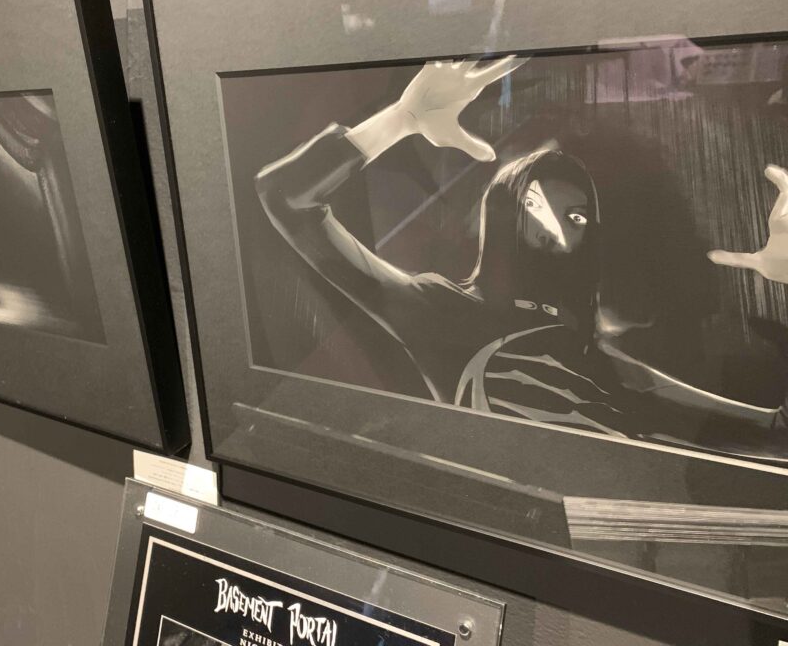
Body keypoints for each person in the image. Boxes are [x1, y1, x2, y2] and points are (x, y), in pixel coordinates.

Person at [256, 57, 788, 461]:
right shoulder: (445, 312)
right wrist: (400, 119)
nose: (555, 229)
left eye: (575, 216)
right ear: (503, 211)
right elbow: (288, 199)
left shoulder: (595, 357)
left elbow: (774, 433)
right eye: (535, 206)